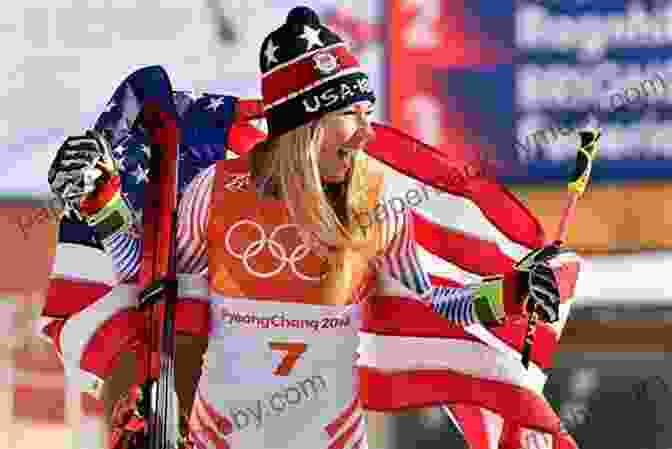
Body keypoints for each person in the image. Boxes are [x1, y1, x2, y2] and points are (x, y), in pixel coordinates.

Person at [46, 6, 565, 449]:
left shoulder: (378, 201)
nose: (366, 134)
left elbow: (424, 309)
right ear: (304, 123)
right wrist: (105, 206)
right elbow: (156, 290)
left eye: (368, 113)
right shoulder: (219, 189)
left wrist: (511, 294)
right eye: (352, 115)